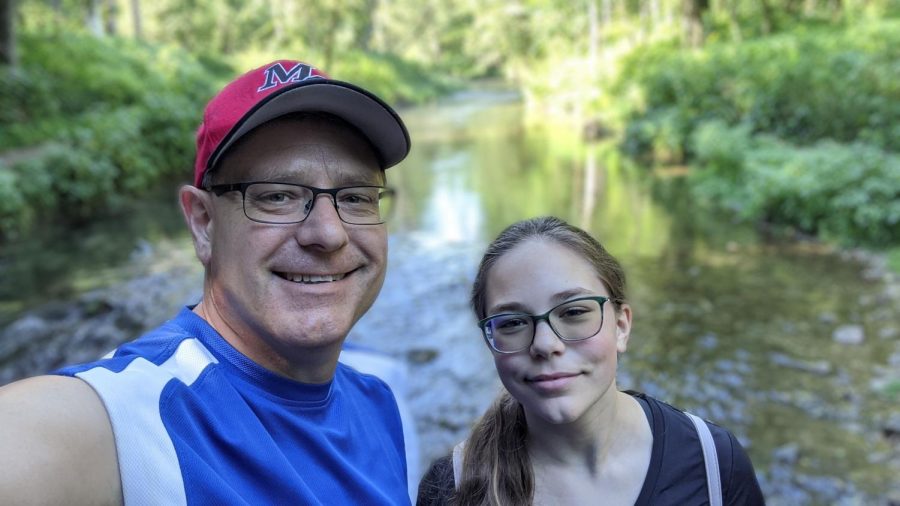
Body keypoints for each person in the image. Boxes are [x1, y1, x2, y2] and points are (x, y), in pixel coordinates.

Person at [0, 59, 415, 505]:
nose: (329, 234)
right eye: (277, 196)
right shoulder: (132, 416)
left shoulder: (381, 402)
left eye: (355, 198)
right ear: (203, 223)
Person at [416, 216, 765, 505]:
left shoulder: (714, 465)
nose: (545, 344)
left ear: (622, 326)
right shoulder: (453, 487)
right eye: (512, 323)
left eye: (574, 312)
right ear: (490, 342)